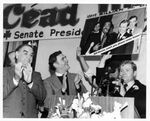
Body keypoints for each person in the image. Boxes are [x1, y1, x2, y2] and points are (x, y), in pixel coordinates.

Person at [3, 44, 46, 118]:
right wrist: (15, 80)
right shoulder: (5, 72)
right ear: (17, 55)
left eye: (31, 55)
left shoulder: (36, 75)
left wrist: (30, 83)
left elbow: (42, 97)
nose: (29, 57)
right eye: (25, 53)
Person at [43, 50, 87, 116]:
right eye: (63, 59)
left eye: (65, 57)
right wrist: (62, 90)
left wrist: (78, 87)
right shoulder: (48, 82)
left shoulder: (75, 77)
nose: (67, 60)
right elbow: (47, 104)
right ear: (55, 65)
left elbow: (86, 98)